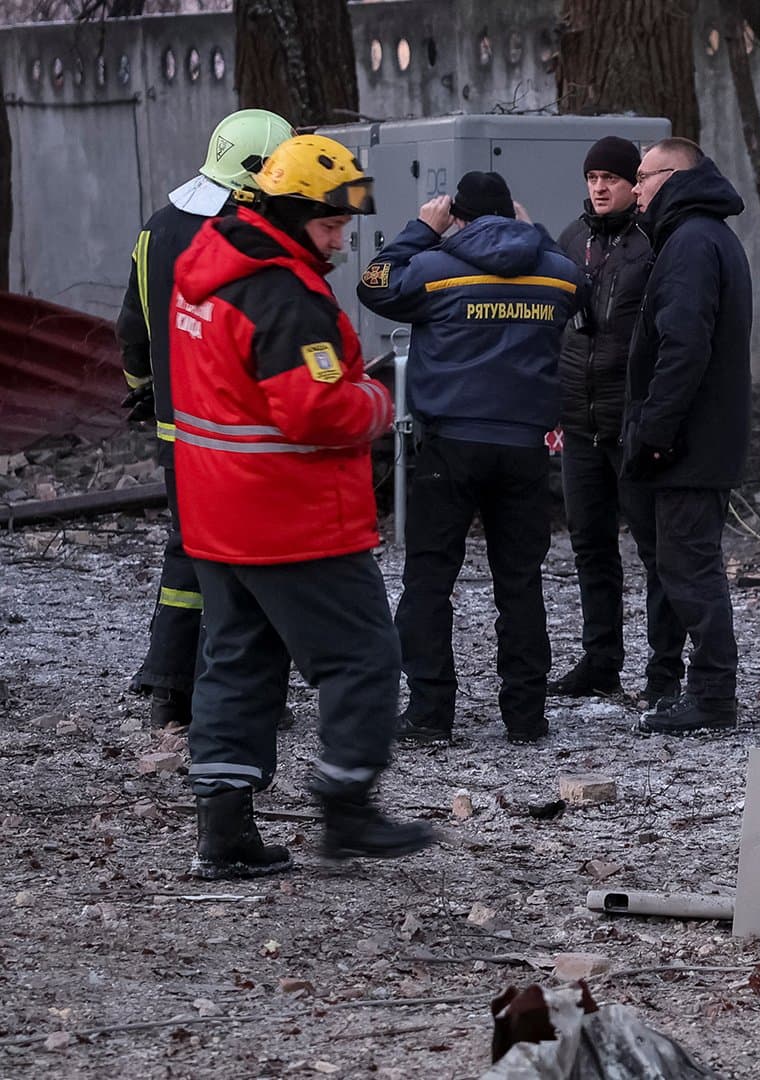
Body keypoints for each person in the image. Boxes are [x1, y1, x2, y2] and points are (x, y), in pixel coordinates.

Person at [167, 134, 434, 877]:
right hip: (291, 517)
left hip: (218, 514)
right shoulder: (284, 295)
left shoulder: (209, 270)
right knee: (363, 658)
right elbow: (314, 412)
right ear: (287, 213)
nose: (342, 237)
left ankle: (224, 832)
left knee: (238, 662)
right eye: (329, 222)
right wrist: (379, 403)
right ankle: (347, 808)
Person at [357, 172, 588, 746]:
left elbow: (372, 284)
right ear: (511, 215)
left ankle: (431, 711)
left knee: (430, 579)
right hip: (523, 450)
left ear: (455, 216)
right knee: (520, 582)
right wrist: (534, 234)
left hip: (449, 446)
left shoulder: (433, 270)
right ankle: (526, 716)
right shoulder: (555, 272)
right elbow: (582, 288)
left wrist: (420, 230)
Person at [118, 108, 293, 728]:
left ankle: (172, 685)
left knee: (189, 551)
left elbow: (133, 327)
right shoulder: (254, 234)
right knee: (250, 557)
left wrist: (144, 389)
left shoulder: (158, 228)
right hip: (244, 431)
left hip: (177, 428)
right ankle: (242, 691)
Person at [620, 138, 751, 735]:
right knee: (686, 566)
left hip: (687, 446)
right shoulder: (704, 237)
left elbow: (683, 346)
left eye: (644, 178)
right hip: (698, 442)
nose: (636, 188)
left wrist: (653, 432)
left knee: (691, 569)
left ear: (674, 177)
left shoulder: (692, 243)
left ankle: (713, 695)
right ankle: (701, 690)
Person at [550, 136, 665, 702]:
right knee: (590, 547)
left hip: (630, 424)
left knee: (654, 549)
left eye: (611, 178)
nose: (599, 187)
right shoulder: (571, 240)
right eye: (592, 177)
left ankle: (664, 673)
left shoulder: (652, 244)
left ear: (633, 185)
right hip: (578, 422)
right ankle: (601, 660)